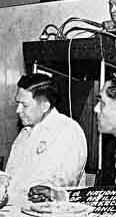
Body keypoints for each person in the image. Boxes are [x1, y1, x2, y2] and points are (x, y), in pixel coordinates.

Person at [5, 73, 87, 203]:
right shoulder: (24, 134)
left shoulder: (68, 131)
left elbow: (63, 185)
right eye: (18, 103)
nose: (18, 110)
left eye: (24, 105)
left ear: (45, 106)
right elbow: (10, 178)